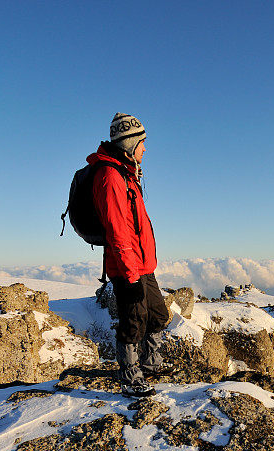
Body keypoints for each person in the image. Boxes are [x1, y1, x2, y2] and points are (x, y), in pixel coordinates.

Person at [87, 113, 171, 397]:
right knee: (133, 320)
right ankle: (129, 375)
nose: (145, 149)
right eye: (142, 143)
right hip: (127, 267)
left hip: (143, 264)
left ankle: (149, 361)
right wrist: (131, 275)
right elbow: (117, 231)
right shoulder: (111, 177)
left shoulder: (127, 174)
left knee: (158, 315)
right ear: (130, 143)